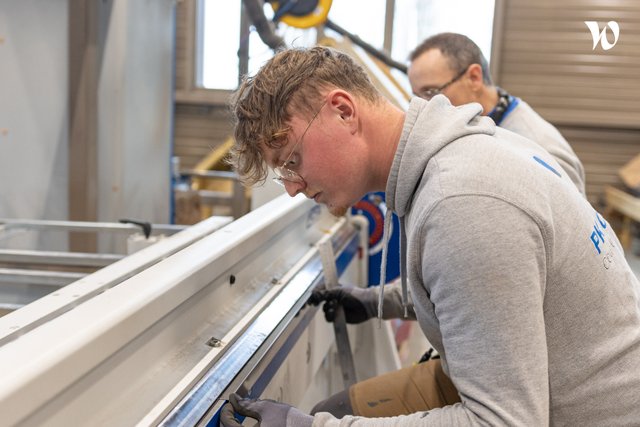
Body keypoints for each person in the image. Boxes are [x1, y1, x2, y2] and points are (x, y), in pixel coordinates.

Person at [219, 46, 640, 426]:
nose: (292, 186)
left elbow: (502, 422)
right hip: (541, 378)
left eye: (292, 160)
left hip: (577, 412)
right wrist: (383, 300)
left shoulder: (462, 202)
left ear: (343, 111)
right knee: (341, 408)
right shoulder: (470, 148)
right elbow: (484, 287)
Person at [408, 32, 586, 196]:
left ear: (474, 78)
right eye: (416, 96)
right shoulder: (477, 127)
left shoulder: (538, 145)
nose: (424, 106)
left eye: (431, 92)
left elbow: (573, 225)